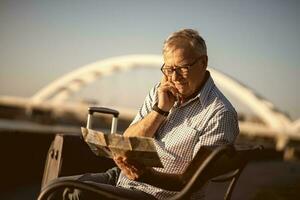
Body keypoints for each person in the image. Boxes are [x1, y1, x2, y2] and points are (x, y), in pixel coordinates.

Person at [45, 28, 239, 200]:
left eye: (182, 68)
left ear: (203, 62)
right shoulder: (160, 92)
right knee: (55, 187)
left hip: (159, 195)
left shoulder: (219, 114)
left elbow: (192, 182)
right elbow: (128, 140)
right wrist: (160, 110)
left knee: (78, 194)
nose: (174, 77)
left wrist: (146, 176)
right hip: (123, 178)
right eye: (169, 69)